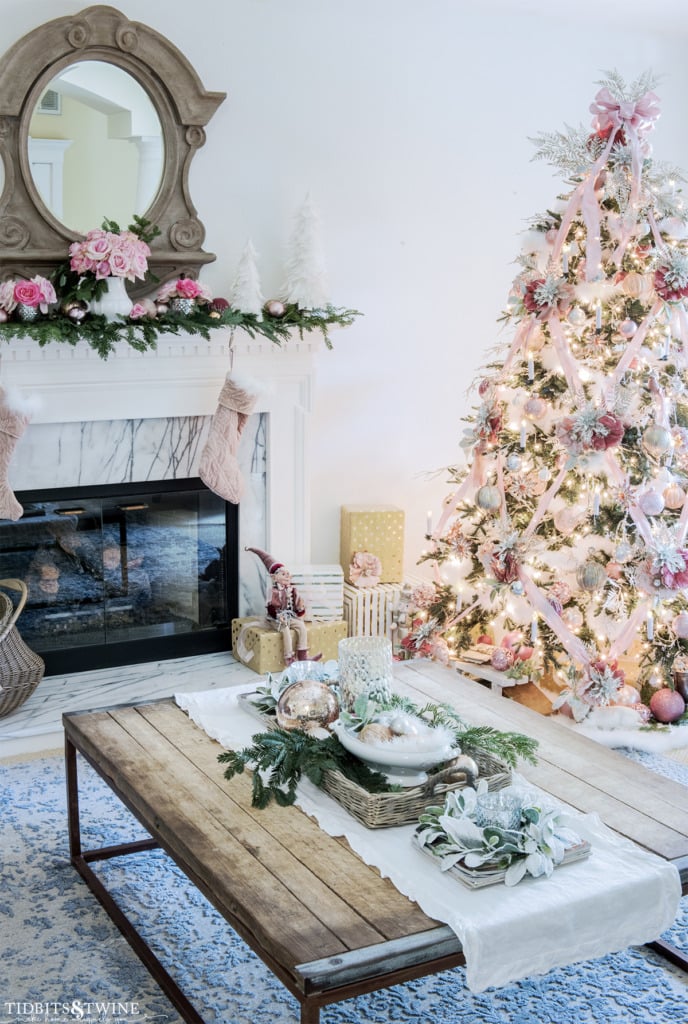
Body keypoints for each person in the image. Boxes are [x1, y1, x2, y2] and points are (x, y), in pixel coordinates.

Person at [246, 547, 319, 666]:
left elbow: (298, 611)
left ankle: (303, 655)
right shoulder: (273, 591)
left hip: (289, 617)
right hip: (276, 619)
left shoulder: (292, 590)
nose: (286, 576)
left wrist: (301, 608)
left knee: (301, 626)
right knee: (285, 629)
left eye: (287, 574)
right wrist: (277, 616)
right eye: (283, 574)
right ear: (274, 577)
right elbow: (270, 608)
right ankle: (289, 658)